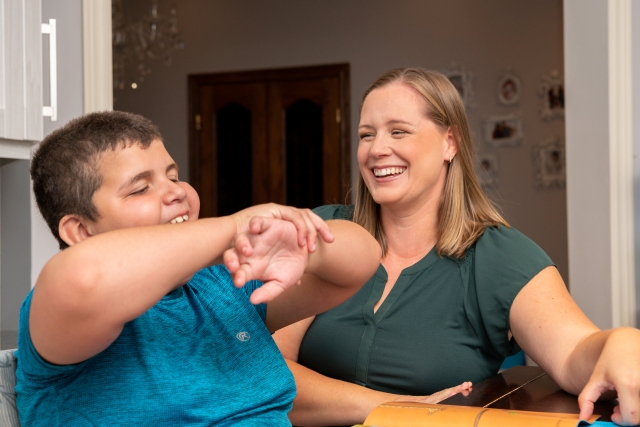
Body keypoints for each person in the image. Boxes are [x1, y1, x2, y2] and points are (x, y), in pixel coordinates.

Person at [273, 68, 640, 427]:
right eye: (366, 135)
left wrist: (619, 343)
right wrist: (400, 408)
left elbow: (575, 352)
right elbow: (261, 372)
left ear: (450, 142)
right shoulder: (324, 233)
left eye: (398, 131)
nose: (376, 150)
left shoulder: (499, 256)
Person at [16, 111, 386, 426]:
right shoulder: (61, 313)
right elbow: (84, 276)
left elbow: (362, 257)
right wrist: (235, 227)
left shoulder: (223, 283)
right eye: (140, 189)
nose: (176, 191)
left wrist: (296, 243)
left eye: (173, 176)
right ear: (80, 230)